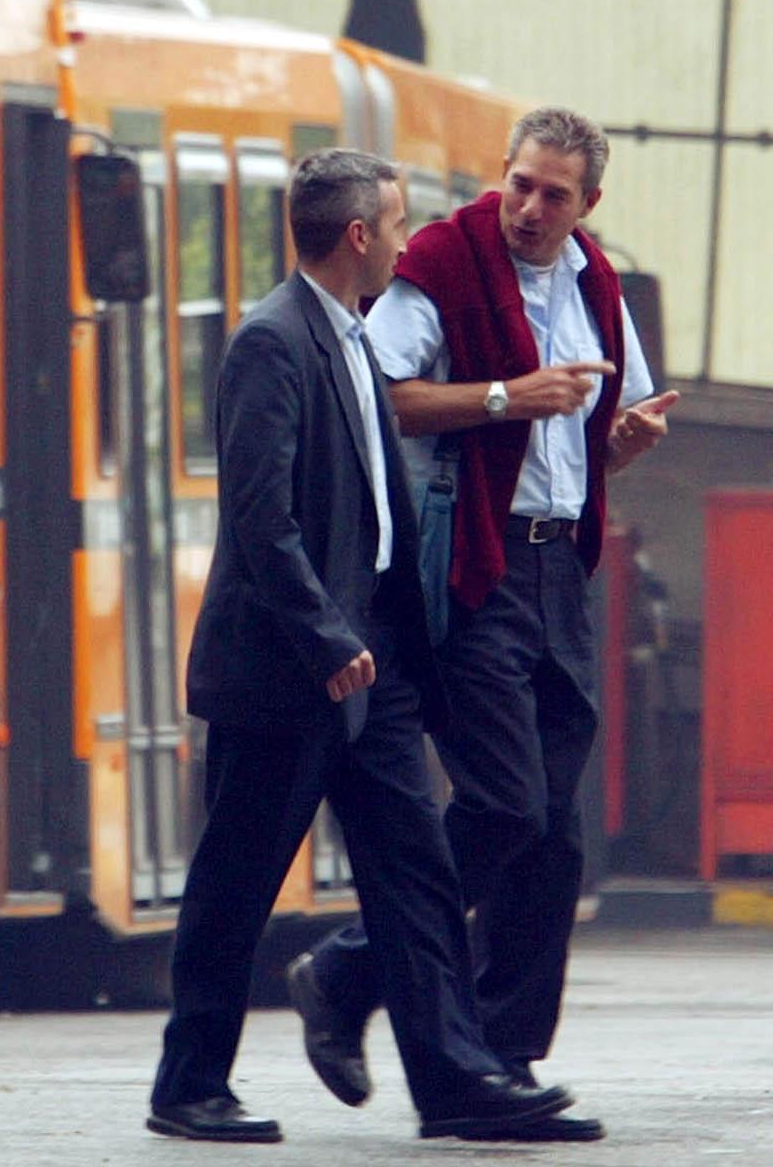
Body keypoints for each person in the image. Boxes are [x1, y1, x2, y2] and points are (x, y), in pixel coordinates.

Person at [147, 149, 575, 1143]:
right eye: (388, 224)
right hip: (289, 668)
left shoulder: (348, 337)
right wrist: (322, 634)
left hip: (371, 660)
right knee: (235, 878)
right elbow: (260, 520)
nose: (398, 238)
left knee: (414, 869)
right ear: (353, 237)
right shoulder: (271, 341)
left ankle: (455, 1078)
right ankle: (187, 1081)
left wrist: (384, 638)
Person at [289, 108, 676, 1144]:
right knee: (502, 802)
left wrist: (625, 438)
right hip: (475, 562)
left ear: (586, 204)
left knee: (553, 833)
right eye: (518, 184)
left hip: (562, 563)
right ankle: (353, 967)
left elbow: (605, 419)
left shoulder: (593, 279)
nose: (527, 208)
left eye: (552, 194)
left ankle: (498, 1057)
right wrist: (508, 396)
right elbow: (379, 395)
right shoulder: (441, 258)